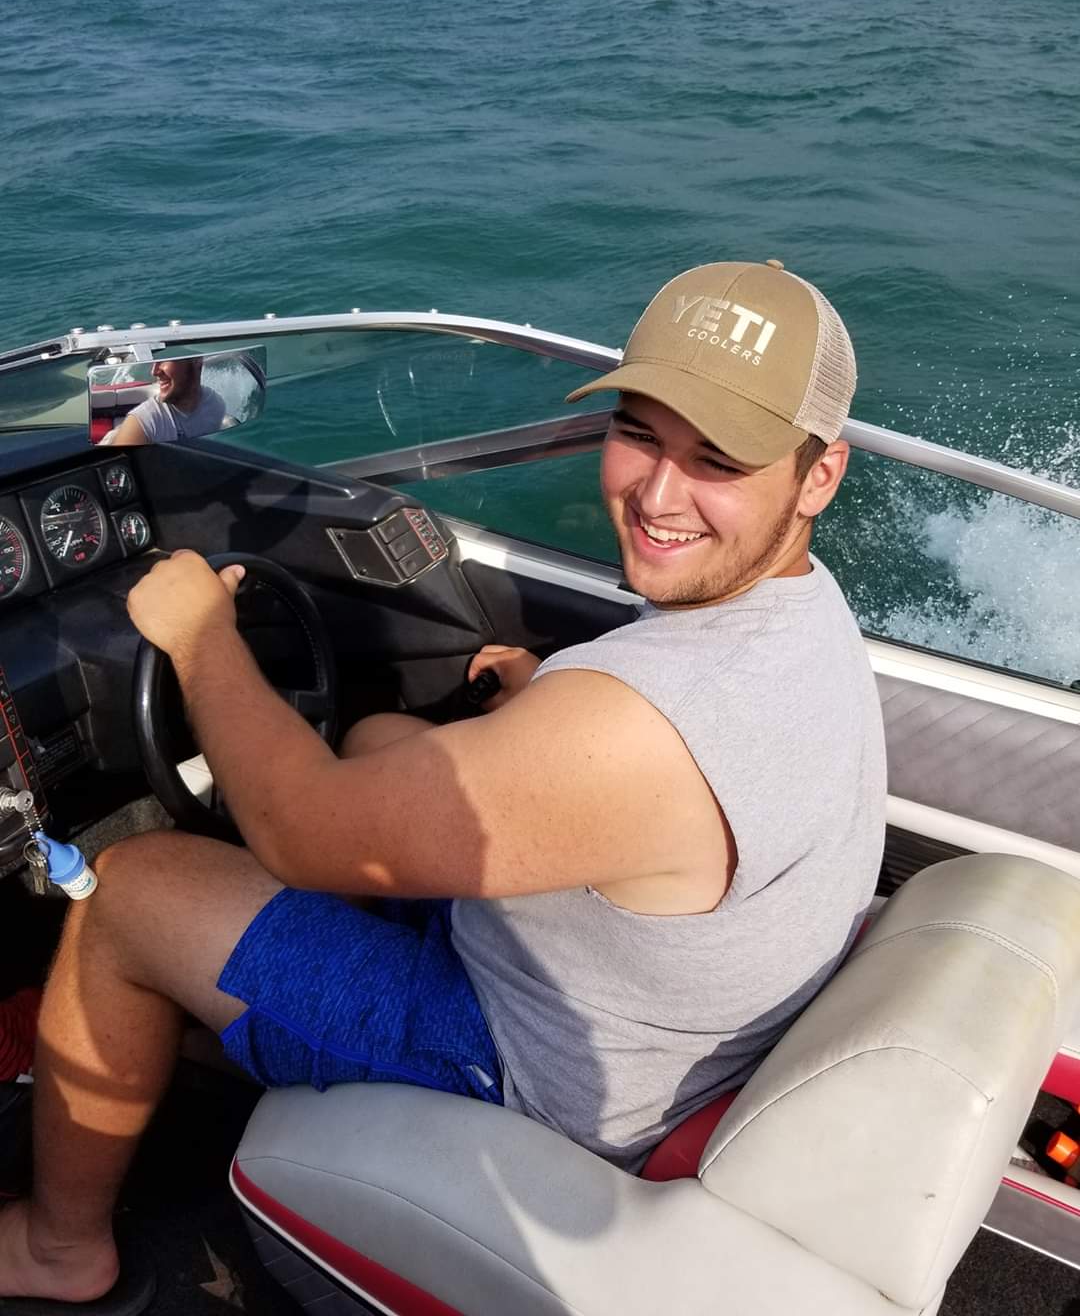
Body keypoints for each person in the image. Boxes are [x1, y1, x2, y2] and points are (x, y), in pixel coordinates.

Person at [0, 259, 886, 1306]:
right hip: (640, 1019)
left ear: (818, 474)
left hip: (535, 1076)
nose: (656, 494)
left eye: (719, 460)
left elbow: (298, 830)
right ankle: (239, 1008)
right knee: (376, 735)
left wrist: (199, 638)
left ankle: (60, 1251)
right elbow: (631, 752)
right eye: (642, 432)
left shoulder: (644, 723)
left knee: (133, 890)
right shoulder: (795, 621)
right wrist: (541, 697)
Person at [109, 358, 227, 446]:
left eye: (164, 360)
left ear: (196, 360)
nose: (154, 372)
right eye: (154, 361)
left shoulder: (215, 404)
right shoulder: (143, 422)